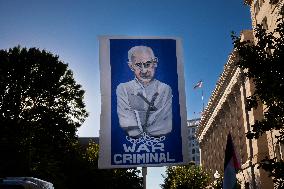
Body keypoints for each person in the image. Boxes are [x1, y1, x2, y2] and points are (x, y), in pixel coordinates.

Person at [116, 45, 172, 138]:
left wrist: (136, 117)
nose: (144, 70)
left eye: (148, 64)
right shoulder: (123, 89)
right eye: (138, 65)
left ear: (155, 63)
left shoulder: (165, 89)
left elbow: (165, 126)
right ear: (131, 66)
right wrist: (153, 119)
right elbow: (126, 123)